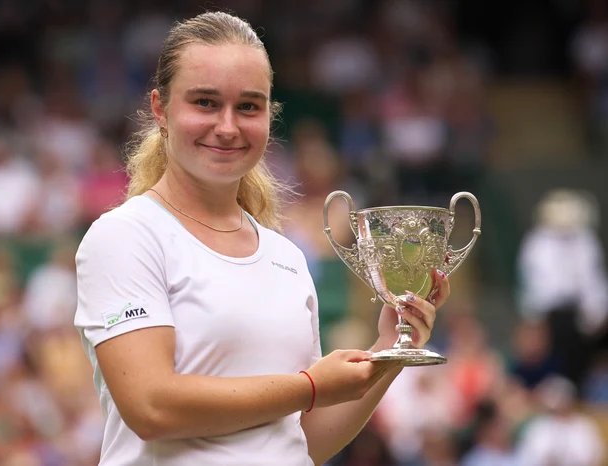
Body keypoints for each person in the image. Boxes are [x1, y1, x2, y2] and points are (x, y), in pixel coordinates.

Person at [73, 11, 451, 466]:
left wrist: (389, 351)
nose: (228, 126)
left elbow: (300, 440)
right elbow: (152, 406)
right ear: (160, 109)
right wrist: (311, 388)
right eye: (205, 103)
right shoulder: (125, 236)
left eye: (248, 106)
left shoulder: (286, 256)